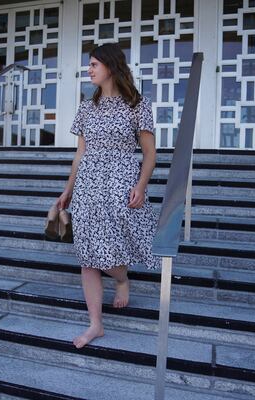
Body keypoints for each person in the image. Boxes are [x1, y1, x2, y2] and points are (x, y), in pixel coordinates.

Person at [55, 43, 161, 349]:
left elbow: (150, 153)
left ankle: (122, 278)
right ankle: (95, 324)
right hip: (88, 184)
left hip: (120, 181)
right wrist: (67, 191)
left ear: (111, 67)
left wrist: (141, 186)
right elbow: (80, 154)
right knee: (88, 255)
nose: (89, 70)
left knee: (111, 247)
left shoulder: (138, 104)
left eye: (93, 65)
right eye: (89, 65)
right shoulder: (87, 107)